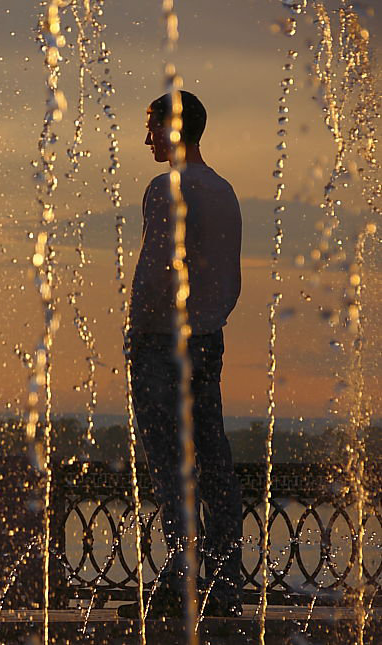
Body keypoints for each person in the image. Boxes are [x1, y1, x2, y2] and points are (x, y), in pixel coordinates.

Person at [120, 91, 243, 618]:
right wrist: (208, 325)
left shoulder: (164, 188)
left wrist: (137, 333)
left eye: (151, 127)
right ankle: (224, 581)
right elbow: (230, 280)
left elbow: (154, 273)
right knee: (211, 459)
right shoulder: (224, 191)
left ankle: (182, 579)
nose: (146, 138)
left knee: (170, 465)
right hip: (207, 339)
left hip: (161, 341)